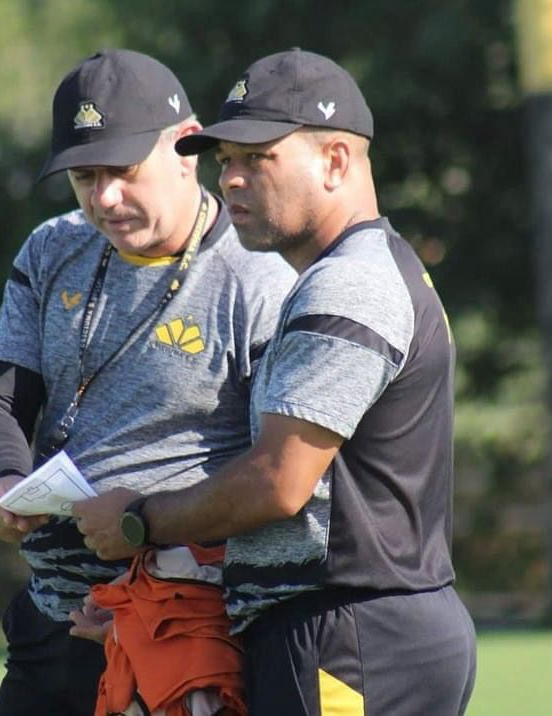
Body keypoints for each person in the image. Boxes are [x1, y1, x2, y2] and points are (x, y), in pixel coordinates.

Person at [73, 48, 478, 715]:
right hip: (360, 629)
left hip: (349, 634)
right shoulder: (361, 268)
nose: (231, 180)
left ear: (336, 161)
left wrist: (139, 523)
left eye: (258, 158)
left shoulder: (348, 284)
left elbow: (278, 483)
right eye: (226, 160)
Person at [0, 48, 296, 716]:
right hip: (53, 622)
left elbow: (278, 480)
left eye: (121, 171)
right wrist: (0, 480)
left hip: (180, 633)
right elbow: (0, 401)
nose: (103, 198)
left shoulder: (260, 274)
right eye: (84, 177)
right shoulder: (50, 248)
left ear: (186, 147)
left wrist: (162, 597)